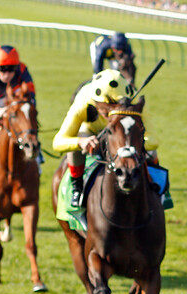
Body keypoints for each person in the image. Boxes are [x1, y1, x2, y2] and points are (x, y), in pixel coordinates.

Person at [52, 69, 157, 208]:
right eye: (105, 105)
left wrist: (135, 146)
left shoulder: (135, 101)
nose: (109, 109)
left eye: (115, 103)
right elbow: (58, 142)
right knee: (76, 144)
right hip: (91, 132)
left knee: (152, 153)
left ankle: (155, 185)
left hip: (121, 134)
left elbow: (154, 140)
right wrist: (81, 142)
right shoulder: (83, 101)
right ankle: (77, 187)